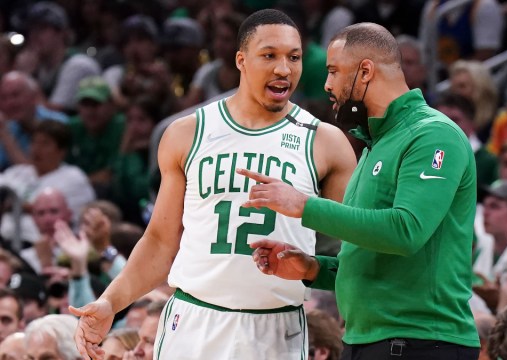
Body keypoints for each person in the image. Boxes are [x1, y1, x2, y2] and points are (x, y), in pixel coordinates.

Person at [70, 9, 356, 360]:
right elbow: (160, 242)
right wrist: (110, 302)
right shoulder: (187, 133)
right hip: (193, 320)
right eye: (269, 55)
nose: (284, 68)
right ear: (241, 60)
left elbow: (355, 248)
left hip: (277, 327)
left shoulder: (326, 142)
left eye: (293, 57)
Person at [241, 22, 480, 358]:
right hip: (368, 339)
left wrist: (303, 206)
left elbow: (405, 231)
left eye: (334, 71)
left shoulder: (433, 135)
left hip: (421, 340)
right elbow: (375, 253)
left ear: (365, 71)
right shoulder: (373, 144)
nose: (327, 84)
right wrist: (314, 269)